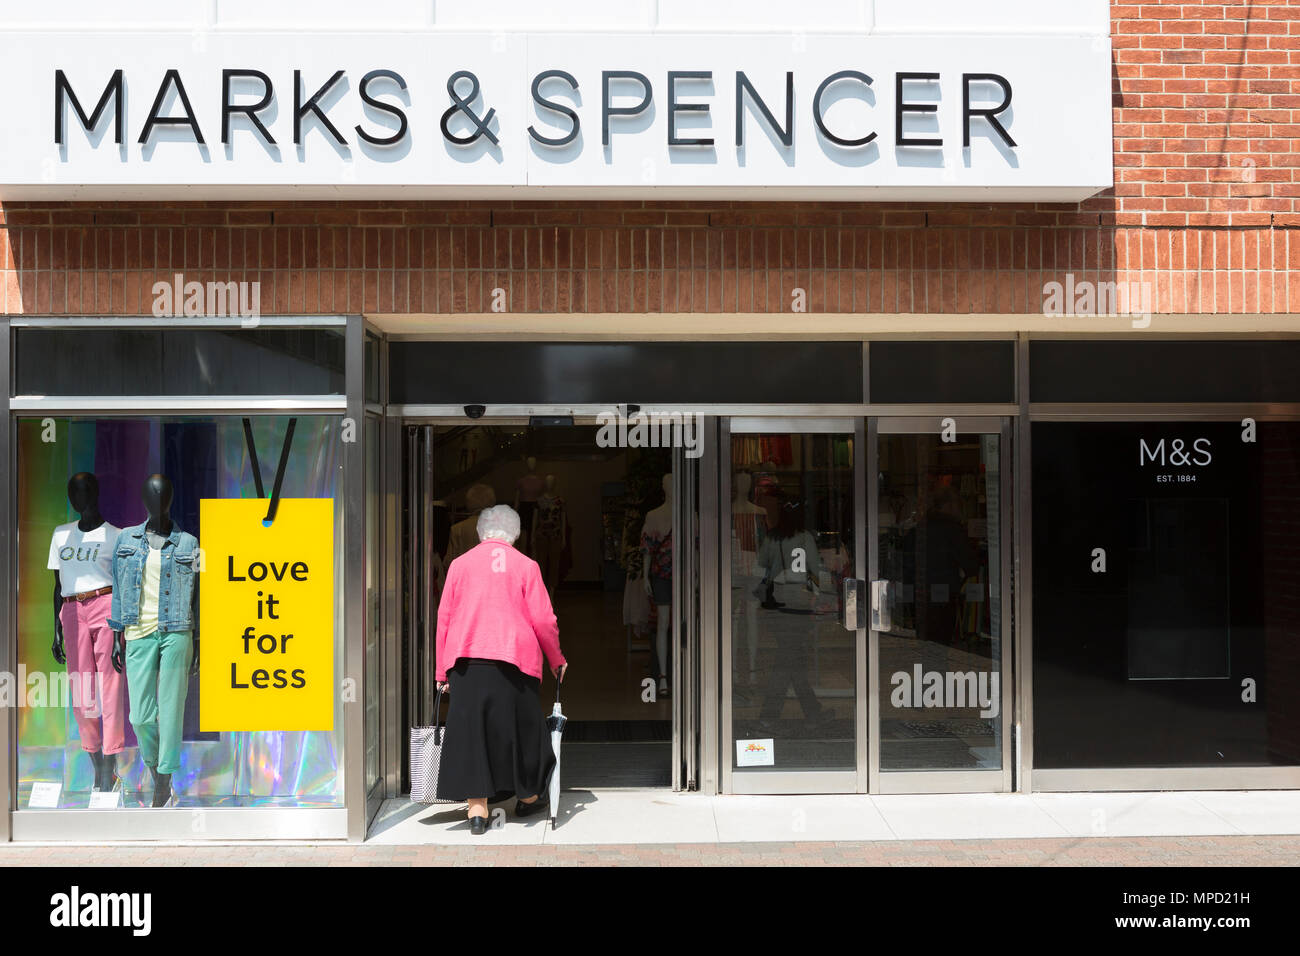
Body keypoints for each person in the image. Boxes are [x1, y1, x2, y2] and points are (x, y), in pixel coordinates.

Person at [433, 504, 568, 835]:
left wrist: (441, 671)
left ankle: (477, 812)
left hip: (466, 661)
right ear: (517, 533)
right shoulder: (526, 565)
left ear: (480, 533)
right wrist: (556, 659)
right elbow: (543, 620)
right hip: (514, 661)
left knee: (471, 733)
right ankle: (529, 795)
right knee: (525, 730)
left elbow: (444, 619)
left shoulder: (459, 565)